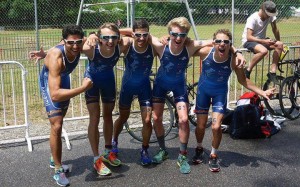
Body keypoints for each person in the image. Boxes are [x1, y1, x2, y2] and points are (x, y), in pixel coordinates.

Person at [148, 17, 245, 174]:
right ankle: (163, 150)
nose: (178, 38)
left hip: (179, 86)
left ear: (186, 35)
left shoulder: (191, 46)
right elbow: (140, 33)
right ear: (169, 33)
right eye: (174, 34)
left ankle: (182, 155)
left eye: (182, 34)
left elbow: (219, 42)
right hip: (160, 85)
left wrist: (237, 51)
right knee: (156, 118)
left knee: (184, 119)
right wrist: (94, 36)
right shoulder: (161, 45)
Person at [192, 29, 275, 172]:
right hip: (203, 93)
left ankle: (213, 155)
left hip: (220, 94)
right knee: (200, 126)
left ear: (230, 44)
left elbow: (243, 81)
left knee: (216, 127)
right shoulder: (206, 52)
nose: (222, 44)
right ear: (214, 43)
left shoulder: (234, 60)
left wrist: (262, 92)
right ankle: (199, 147)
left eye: (226, 42)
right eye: (218, 41)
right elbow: (185, 49)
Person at [36, 25, 93, 186]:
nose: (75, 46)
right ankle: (58, 169)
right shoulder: (56, 56)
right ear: (63, 41)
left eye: (78, 42)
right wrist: (82, 88)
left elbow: (103, 38)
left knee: (60, 121)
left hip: (64, 78)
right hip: (50, 82)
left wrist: (94, 34)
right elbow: (55, 94)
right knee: (57, 124)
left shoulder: (80, 44)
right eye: (70, 43)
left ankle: (55, 158)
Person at [83, 23, 131, 176]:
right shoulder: (90, 48)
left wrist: (121, 35)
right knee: (95, 118)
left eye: (113, 37)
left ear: (118, 38)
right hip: (92, 83)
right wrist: (91, 35)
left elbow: (134, 34)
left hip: (108, 81)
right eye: (105, 37)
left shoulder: (121, 46)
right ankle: (96, 158)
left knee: (108, 115)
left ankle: (108, 151)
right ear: (99, 38)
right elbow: (69, 44)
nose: (110, 41)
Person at [112, 19, 155, 166]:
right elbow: (111, 38)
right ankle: (114, 141)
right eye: (138, 35)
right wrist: (93, 36)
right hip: (127, 87)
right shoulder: (127, 44)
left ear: (148, 34)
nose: (141, 38)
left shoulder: (152, 46)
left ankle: (144, 149)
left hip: (144, 88)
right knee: (123, 117)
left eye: (145, 35)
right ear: (133, 34)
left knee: (148, 120)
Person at [242, 0, 283, 83]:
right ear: (263, 10)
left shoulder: (270, 16)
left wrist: (278, 42)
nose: (269, 17)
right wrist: (264, 41)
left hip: (262, 41)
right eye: (268, 15)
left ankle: (272, 73)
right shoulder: (253, 18)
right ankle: (248, 70)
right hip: (249, 41)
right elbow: (249, 37)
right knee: (264, 51)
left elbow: (275, 29)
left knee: (280, 44)